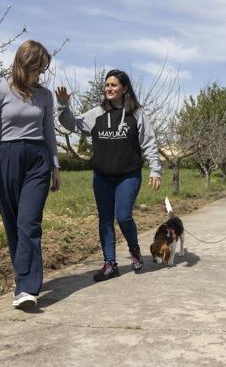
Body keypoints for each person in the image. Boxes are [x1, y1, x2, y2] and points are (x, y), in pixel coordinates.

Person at [56, 69, 161, 282]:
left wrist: (155, 169)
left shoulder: (137, 114)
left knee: (123, 216)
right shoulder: (96, 113)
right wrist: (63, 105)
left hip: (128, 175)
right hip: (102, 176)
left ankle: (134, 250)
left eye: (113, 85)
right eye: (107, 86)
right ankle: (110, 264)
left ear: (124, 88)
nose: (109, 89)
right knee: (105, 220)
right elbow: (72, 124)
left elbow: (149, 142)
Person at [0, 40, 61, 309]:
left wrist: (56, 166)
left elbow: (49, 132)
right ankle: (22, 278)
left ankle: (26, 287)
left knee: (29, 222)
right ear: (22, 64)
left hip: (38, 160)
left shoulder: (45, 96)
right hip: (6, 159)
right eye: (36, 69)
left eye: (42, 70)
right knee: (13, 225)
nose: (39, 75)